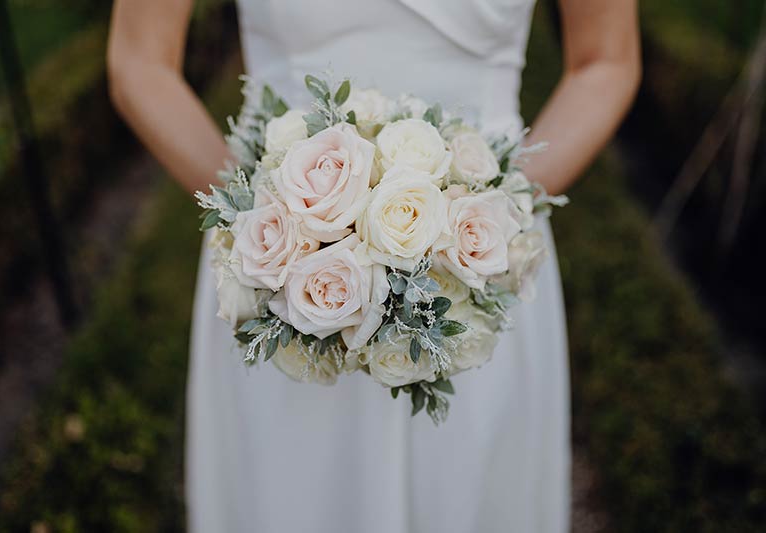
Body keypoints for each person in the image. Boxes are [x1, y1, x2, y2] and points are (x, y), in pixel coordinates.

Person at [107, 1, 640, 531]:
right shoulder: (273, 236)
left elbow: (605, 61)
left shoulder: (488, 240)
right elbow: (141, 60)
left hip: (481, 263)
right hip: (277, 279)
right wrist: (266, 219)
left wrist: (497, 214)